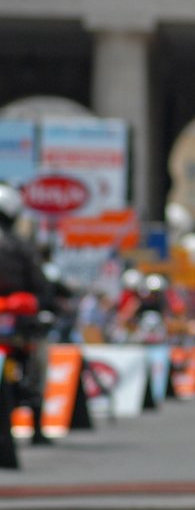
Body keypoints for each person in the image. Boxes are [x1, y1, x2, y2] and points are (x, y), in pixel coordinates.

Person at [0, 184, 56, 446]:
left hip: (17, 323)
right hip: (22, 323)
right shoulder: (23, 247)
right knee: (37, 363)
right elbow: (42, 286)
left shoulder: (23, 246)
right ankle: (36, 423)